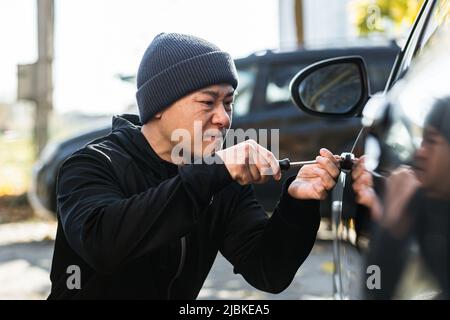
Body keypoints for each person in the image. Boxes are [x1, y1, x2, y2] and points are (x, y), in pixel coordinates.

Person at [48, 33, 342, 299]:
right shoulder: (91, 164)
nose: (224, 118)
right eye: (208, 102)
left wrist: (297, 204)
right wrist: (211, 174)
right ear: (159, 105)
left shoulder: (219, 179)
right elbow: (103, 245)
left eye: (228, 103)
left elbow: (268, 272)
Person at [353, 97, 450, 299]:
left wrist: (388, 231)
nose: (419, 153)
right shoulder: (425, 205)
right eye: (421, 141)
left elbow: (374, 292)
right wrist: (390, 226)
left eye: (431, 141)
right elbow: (375, 285)